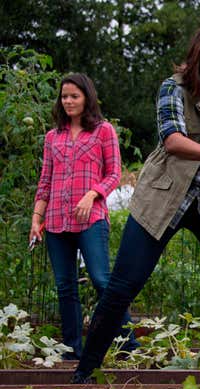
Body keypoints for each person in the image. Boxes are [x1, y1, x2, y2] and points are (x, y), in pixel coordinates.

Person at [71, 22, 200, 383]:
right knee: (123, 285)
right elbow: (173, 141)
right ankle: (84, 372)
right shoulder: (174, 88)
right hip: (164, 198)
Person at [30, 73, 139, 360]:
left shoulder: (103, 131)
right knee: (65, 287)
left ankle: (129, 345)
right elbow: (45, 182)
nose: (68, 101)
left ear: (86, 98)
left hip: (91, 220)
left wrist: (92, 195)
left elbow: (114, 173)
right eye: (64, 96)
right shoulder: (53, 137)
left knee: (102, 280)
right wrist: (35, 219)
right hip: (55, 221)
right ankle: (71, 350)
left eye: (74, 96)